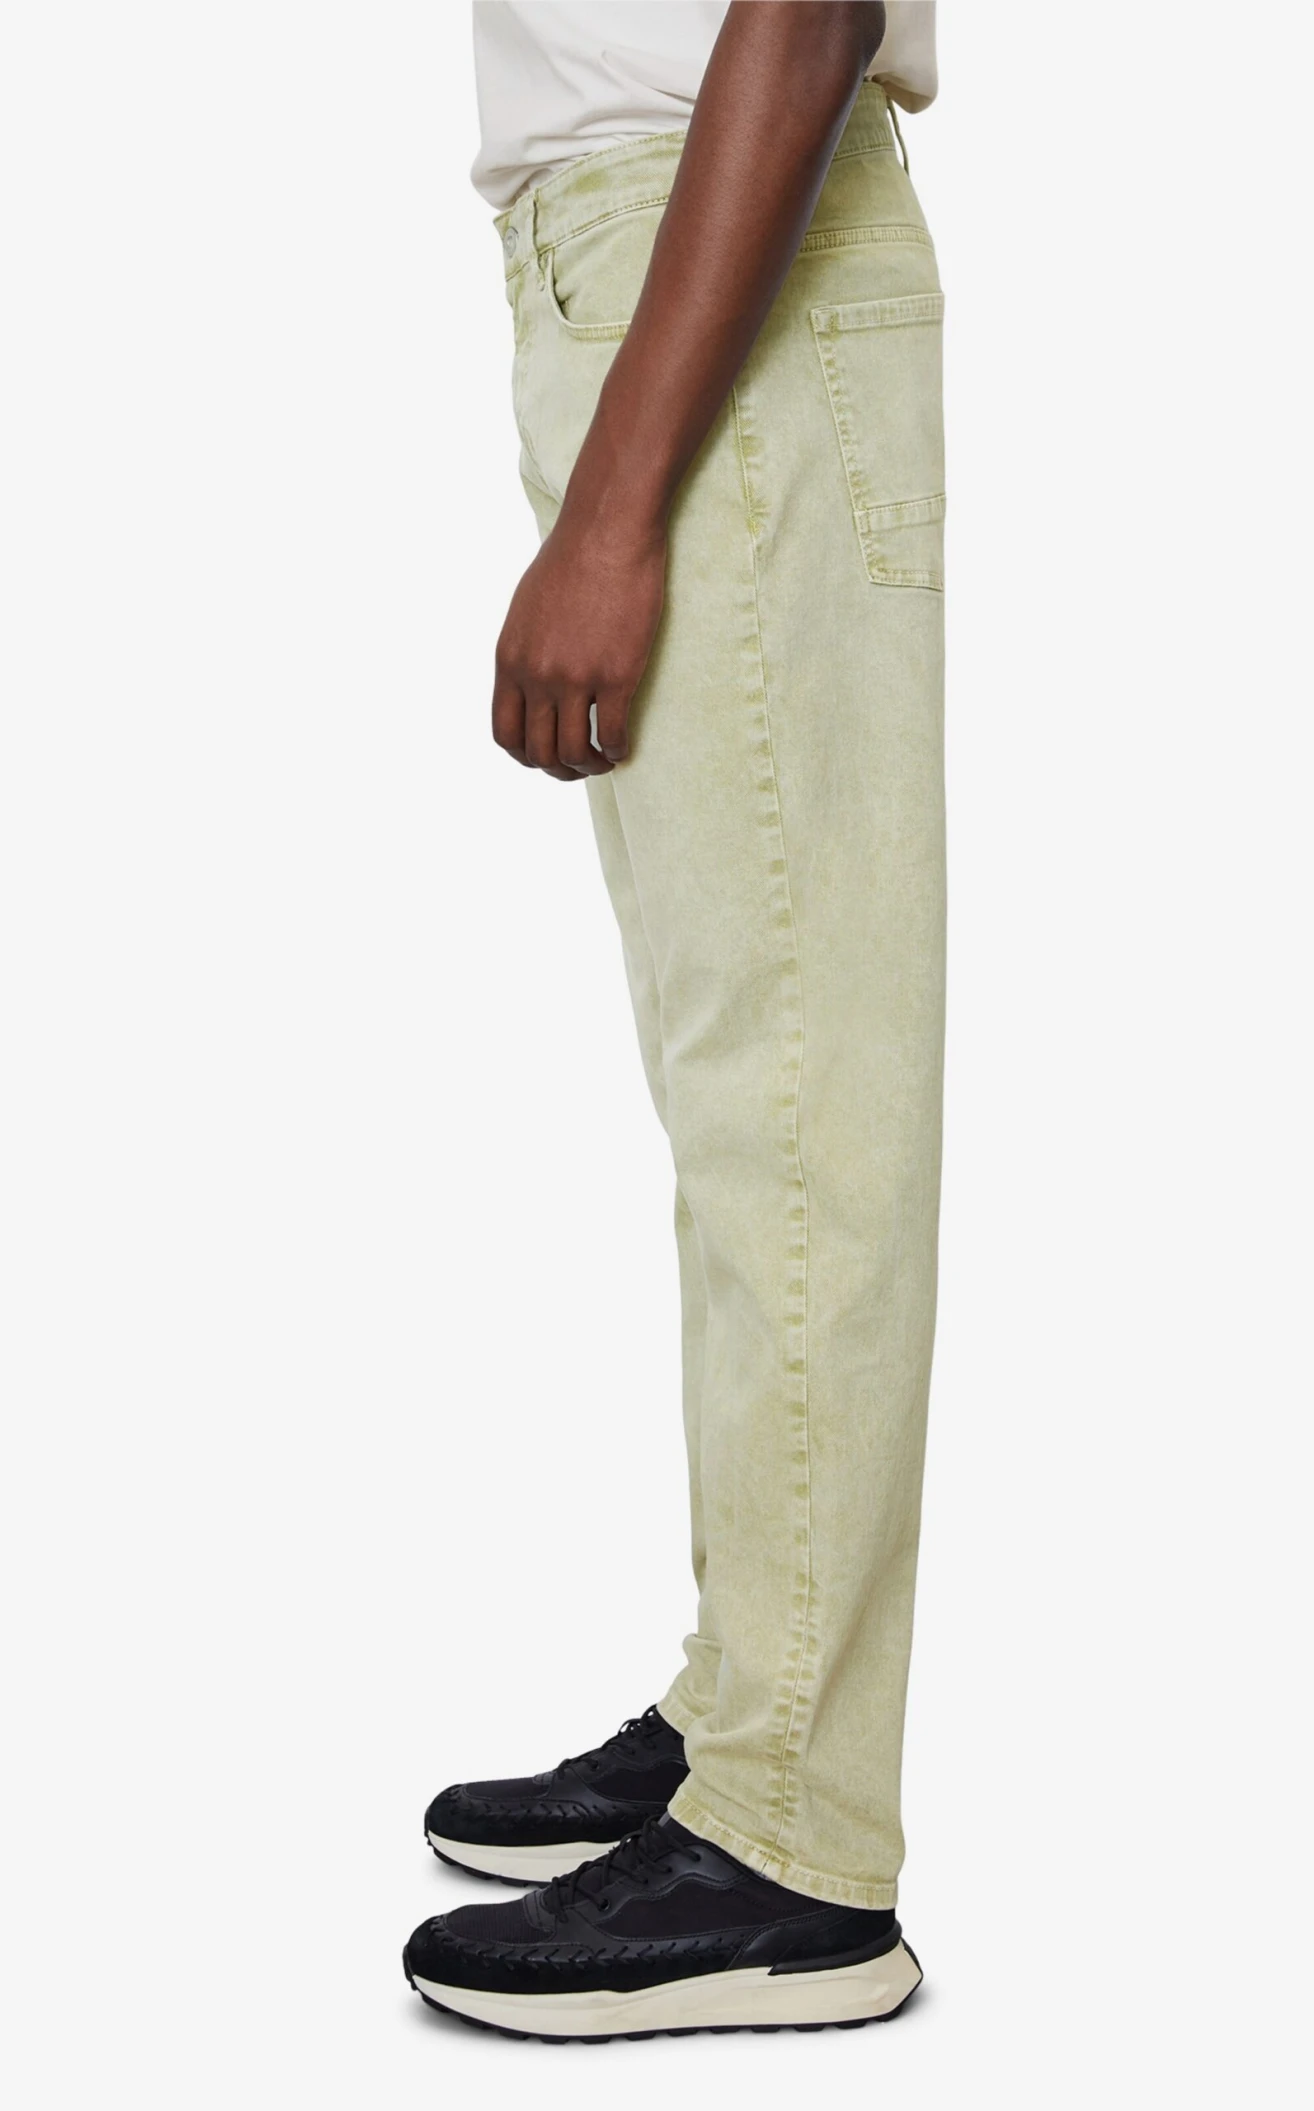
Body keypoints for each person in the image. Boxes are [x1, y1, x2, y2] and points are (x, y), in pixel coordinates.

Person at [403, 0, 945, 2040]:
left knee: (801, 1099)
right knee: (745, 1093)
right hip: (664, 257)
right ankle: (748, 1710)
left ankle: (795, 1841)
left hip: (725, 266)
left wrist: (613, 512)